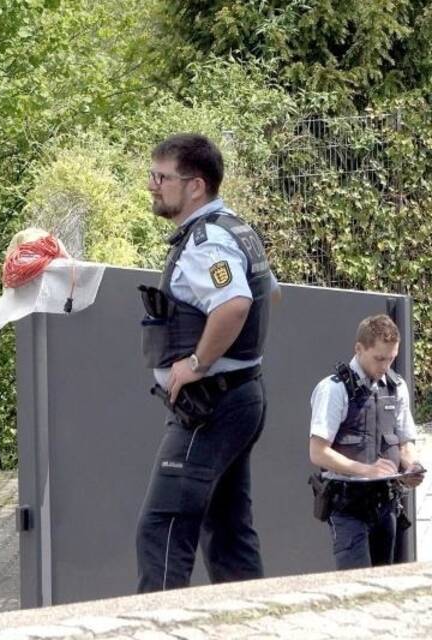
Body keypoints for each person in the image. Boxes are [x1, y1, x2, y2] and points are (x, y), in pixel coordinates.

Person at [135, 133, 279, 592]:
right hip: (239, 396)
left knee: (162, 530)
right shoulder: (234, 227)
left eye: (162, 177)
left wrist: (196, 362)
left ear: (195, 186)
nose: (152, 185)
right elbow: (269, 291)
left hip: (209, 407)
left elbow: (236, 303)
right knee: (229, 533)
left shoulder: (207, 241)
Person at [309, 314, 425, 569]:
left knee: (387, 586)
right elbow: (318, 453)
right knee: (354, 583)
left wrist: (411, 467)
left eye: (391, 358)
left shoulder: (397, 387)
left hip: (387, 503)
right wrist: (367, 471)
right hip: (348, 506)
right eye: (379, 358)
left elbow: (405, 442)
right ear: (359, 349)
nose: (385, 365)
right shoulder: (333, 389)